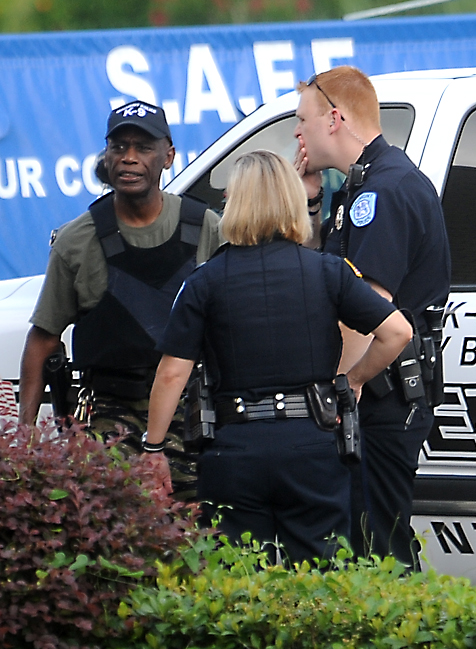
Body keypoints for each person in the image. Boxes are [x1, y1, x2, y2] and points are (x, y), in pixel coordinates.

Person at [143, 150, 412, 563]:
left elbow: (171, 374)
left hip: (232, 450)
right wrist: (354, 381)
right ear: (290, 200)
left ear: (235, 204)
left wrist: (154, 448)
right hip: (312, 447)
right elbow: (397, 332)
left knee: (238, 581)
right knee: (318, 579)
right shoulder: (328, 271)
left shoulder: (205, 281)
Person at [17, 100, 222, 493]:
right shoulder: (77, 239)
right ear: (106, 155)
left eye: (143, 147)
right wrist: (25, 440)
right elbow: (43, 339)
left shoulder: (207, 228)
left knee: (202, 538)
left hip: (194, 420)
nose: (129, 158)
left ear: (169, 156)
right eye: (119, 147)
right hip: (109, 422)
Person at [292, 66, 449, 565]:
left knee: (379, 549)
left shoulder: (382, 192)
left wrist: (340, 390)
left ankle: (408, 644)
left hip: (381, 399)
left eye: (302, 120)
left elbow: (366, 312)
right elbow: (324, 274)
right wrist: (311, 202)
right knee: (368, 541)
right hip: (383, 399)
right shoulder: (361, 188)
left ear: (333, 119)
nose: (297, 132)